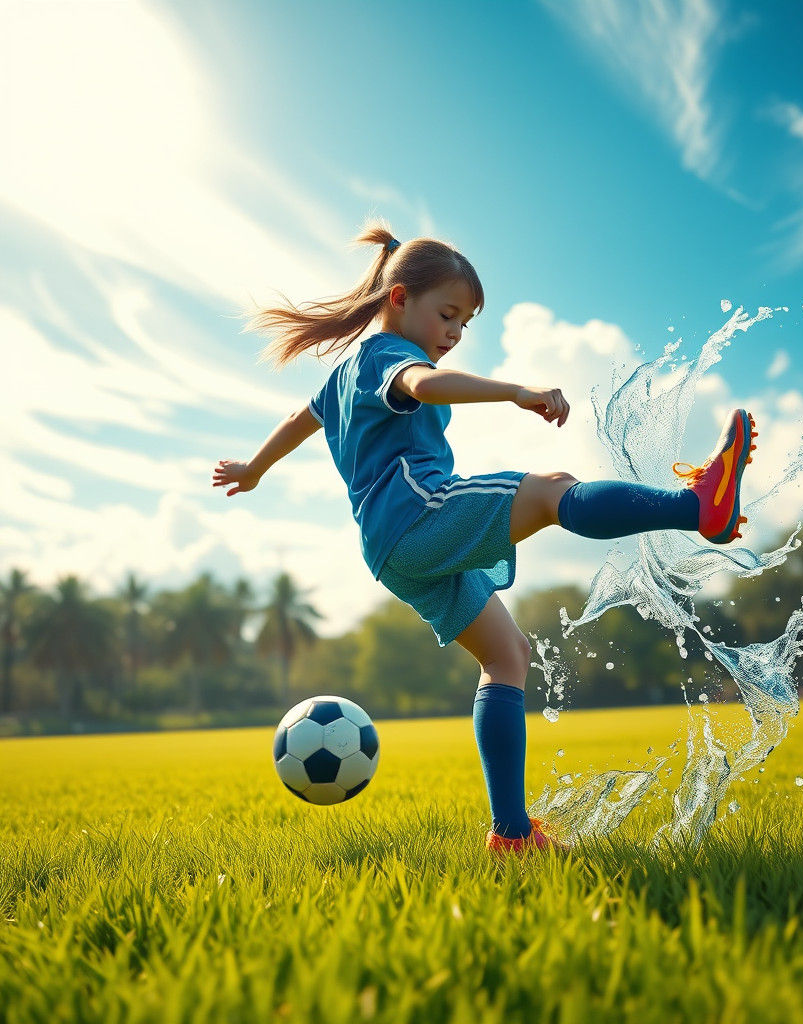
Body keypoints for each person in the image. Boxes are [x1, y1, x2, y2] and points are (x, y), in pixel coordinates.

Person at [211, 221, 757, 857]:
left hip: (391, 552)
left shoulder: (344, 374)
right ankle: (697, 508)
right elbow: (423, 385)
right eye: (447, 315)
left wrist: (254, 468)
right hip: (418, 514)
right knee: (553, 491)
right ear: (398, 300)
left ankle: (512, 835)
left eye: (465, 324)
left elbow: (299, 419)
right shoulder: (388, 357)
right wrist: (517, 392)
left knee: (506, 658)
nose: (454, 334)